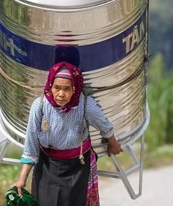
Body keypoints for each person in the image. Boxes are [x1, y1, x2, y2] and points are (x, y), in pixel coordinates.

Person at [10, 61, 123, 206]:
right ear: (50, 86)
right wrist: (22, 179)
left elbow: (105, 126)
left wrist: (113, 143)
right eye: (57, 88)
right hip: (47, 165)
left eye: (66, 89)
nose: (61, 94)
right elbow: (31, 148)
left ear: (74, 89)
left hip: (78, 167)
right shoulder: (40, 106)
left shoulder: (85, 105)